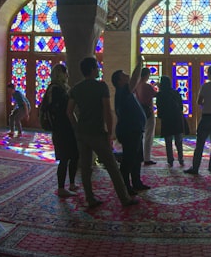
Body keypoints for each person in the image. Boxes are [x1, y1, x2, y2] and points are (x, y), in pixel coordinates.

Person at [66, 57, 138, 208]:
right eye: (97, 67)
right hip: (97, 133)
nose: (98, 70)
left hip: (82, 133)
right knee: (112, 167)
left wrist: (76, 127)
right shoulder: (101, 87)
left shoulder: (76, 88)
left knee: (86, 168)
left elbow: (69, 111)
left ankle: (90, 198)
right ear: (92, 69)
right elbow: (107, 111)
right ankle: (124, 198)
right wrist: (110, 133)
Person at [113, 61, 150, 195]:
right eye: (124, 75)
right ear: (119, 81)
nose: (127, 75)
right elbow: (134, 79)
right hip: (129, 131)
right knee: (129, 159)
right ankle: (125, 187)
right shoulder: (123, 91)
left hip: (135, 130)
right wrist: (140, 63)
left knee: (137, 158)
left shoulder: (125, 92)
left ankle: (136, 182)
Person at [43, 63, 79, 197]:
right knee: (64, 158)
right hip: (61, 128)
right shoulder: (55, 90)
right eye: (66, 73)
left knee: (74, 155)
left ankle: (72, 184)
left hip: (66, 127)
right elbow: (59, 110)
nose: (68, 75)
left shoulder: (61, 89)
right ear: (61, 74)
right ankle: (61, 188)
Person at [155, 75, 185, 168]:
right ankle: (181, 159)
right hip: (177, 118)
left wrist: (160, 117)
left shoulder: (160, 94)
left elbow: (159, 107)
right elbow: (181, 106)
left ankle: (170, 160)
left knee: (168, 141)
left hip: (167, 119)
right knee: (178, 141)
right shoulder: (176, 93)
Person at [134, 68, 158, 165]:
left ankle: (139, 156)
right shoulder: (147, 86)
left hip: (139, 112)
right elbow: (156, 94)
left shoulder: (137, 86)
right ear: (146, 75)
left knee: (140, 135)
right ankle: (147, 158)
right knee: (149, 135)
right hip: (148, 112)